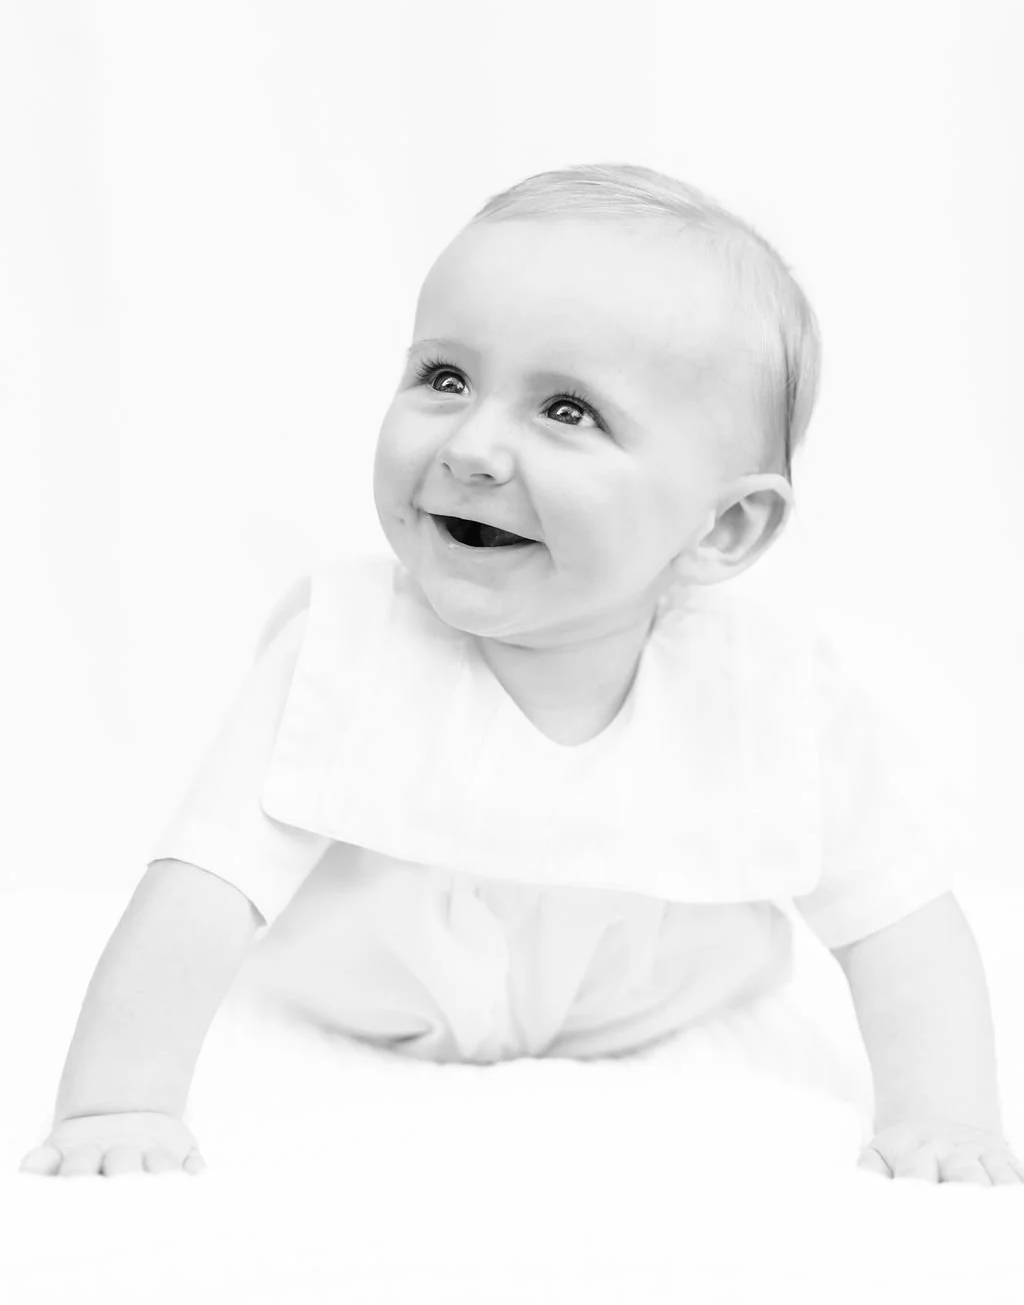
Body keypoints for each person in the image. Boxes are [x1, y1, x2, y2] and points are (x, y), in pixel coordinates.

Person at [19, 164, 1023, 1184]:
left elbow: (899, 921)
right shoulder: (347, 646)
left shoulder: (768, 694)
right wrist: (120, 1103)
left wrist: (941, 1115)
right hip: (363, 1003)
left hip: (660, 1014)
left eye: (568, 411)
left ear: (722, 526)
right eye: (444, 378)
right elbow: (202, 883)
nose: (472, 446)